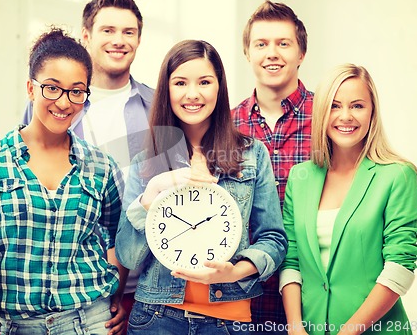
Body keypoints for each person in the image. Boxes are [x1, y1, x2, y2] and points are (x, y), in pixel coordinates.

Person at [0, 27, 127, 335]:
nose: (64, 102)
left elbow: (118, 237)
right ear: (31, 89)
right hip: (17, 326)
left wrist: (117, 297)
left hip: (90, 321)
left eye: (77, 91)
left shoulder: (101, 167)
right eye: (52, 88)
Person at [115, 39, 288, 335]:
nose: (192, 94)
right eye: (180, 83)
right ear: (166, 89)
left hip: (230, 319)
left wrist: (235, 272)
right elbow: (128, 257)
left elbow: (273, 239)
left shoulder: (251, 154)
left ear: (219, 87)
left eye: (204, 82)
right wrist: (154, 190)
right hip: (157, 318)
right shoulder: (147, 161)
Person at [22, 0, 155, 328]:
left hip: (146, 287)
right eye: (108, 30)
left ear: (139, 39)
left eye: (129, 32)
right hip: (70, 288)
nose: (119, 40)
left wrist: (124, 292)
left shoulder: (159, 107)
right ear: (86, 36)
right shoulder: (53, 104)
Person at [280, 64, 417, 335]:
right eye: (334, 106)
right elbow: (291, 261)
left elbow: (400, 267)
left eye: (357, 106)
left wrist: (349, 332)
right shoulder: (300, 178)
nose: (345, 116)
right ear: (321, 112)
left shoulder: (397, 175)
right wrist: (295, 328)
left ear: (372, 112)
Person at [231, 0, 313, 332]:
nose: (272, 53)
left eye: (283, 43)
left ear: (301, 53)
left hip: (314, 289)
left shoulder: (328, 120)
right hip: (244, 294)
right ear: (248, 53)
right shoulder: (227, 125)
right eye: (261, 44)